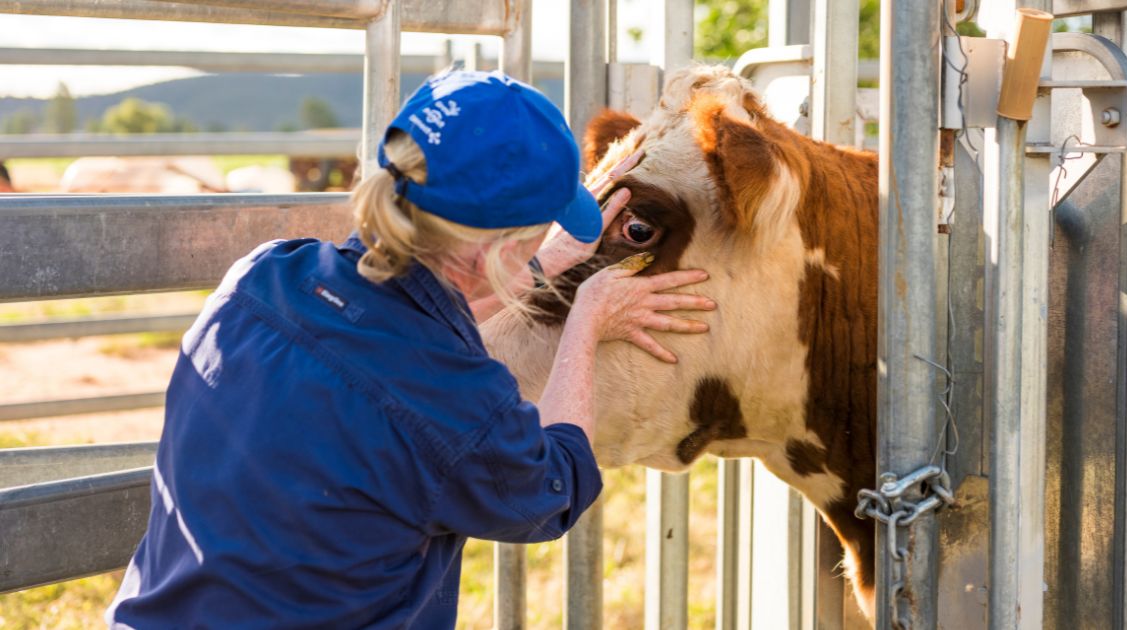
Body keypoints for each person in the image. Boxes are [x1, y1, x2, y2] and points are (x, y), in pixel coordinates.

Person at [106, 70, 714, 628]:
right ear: (493, 251)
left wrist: (536, 267)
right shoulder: (457, 408)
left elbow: (388, 338)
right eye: (535, 234)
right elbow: (553, 492)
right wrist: (587, 320)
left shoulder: (260, 279)